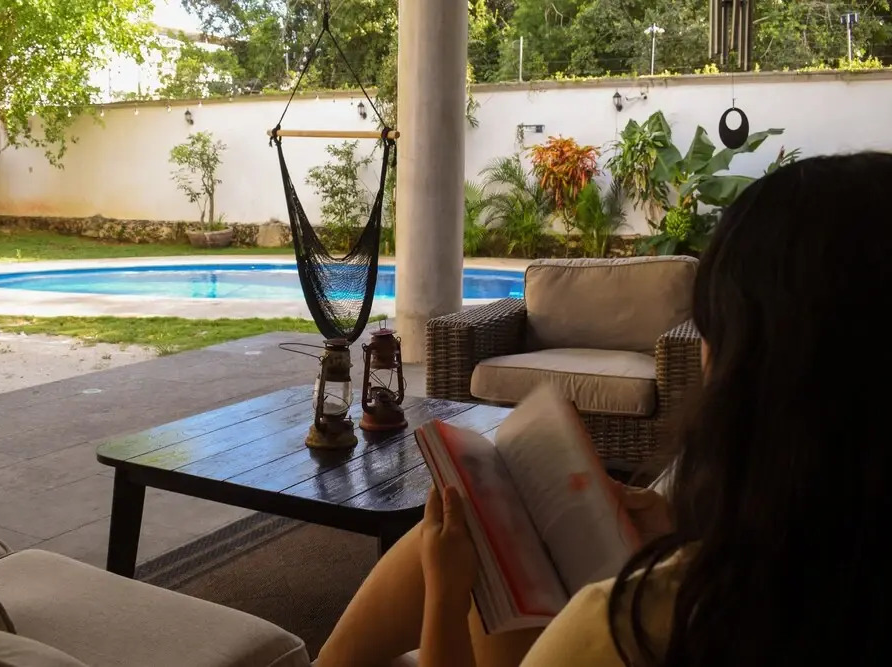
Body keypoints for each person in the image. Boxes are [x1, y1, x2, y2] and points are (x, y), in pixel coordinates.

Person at [318, 153, 890, 667]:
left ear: (744, 371)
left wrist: (445, 599)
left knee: (464, 548)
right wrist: (681, 529)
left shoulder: (631, 626)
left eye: (712, 328)